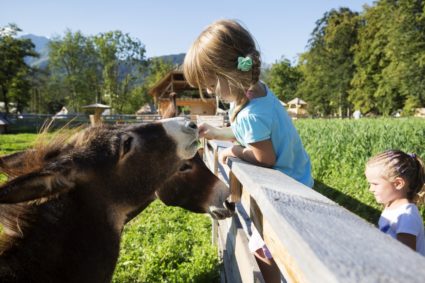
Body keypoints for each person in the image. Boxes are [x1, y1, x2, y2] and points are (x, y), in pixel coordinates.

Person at [183, 19, 313, 282]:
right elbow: (253, 136)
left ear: (228, 74)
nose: (209, 92)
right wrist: (218, 133)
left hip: (286, 194)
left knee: (261, 248)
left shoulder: (250, 113)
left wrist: (234, 152)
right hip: (299, 177)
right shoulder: (256, 93)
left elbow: (264, 157)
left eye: (210, 84)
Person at [365, 150, 425, 256]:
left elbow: (405, 256)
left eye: (375, 184)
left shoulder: (407, 216)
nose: (371, 189)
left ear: (398, 184)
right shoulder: (391, 207)